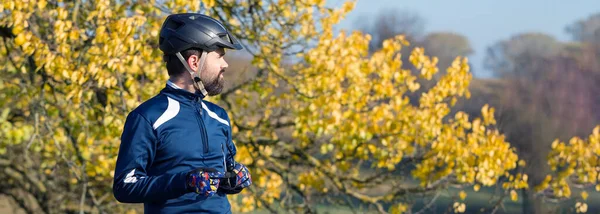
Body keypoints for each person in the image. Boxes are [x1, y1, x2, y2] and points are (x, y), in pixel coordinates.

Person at [113, 13, 252, 213]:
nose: (225, 64)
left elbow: (221, 176)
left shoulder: (219, 116)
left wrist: (234, 178)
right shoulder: (148, 116)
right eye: (219, 56)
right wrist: (184, 181)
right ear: (194, 62)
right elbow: (124, 186)